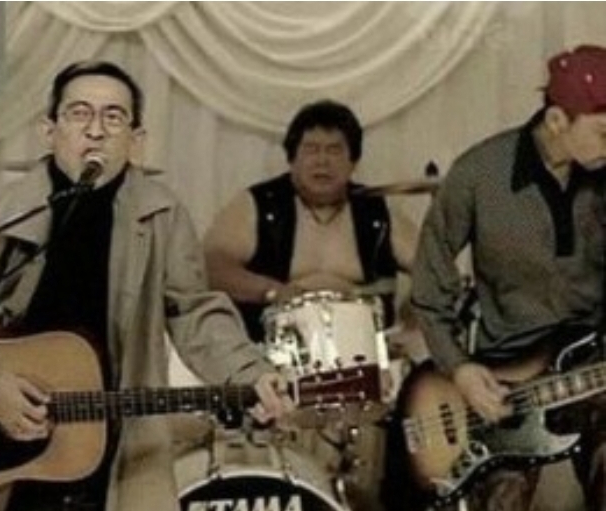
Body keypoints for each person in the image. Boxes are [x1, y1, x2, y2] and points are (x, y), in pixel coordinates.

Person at [0, 60, 292, 511]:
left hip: (117, 447)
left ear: (136, 141)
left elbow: (194, 311)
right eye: (79, 114)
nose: (95, 131)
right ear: (49, 130)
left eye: (113, 117)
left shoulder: (161, 214)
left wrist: (249, 372)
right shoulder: (1, 211)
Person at [410, 45, 606, 511]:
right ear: (557, 121)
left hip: (595, 364)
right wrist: (460, 369)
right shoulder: (479, 174)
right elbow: (429, 288)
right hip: (508, 376)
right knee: (501, 500)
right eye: (603, 132)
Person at [203, 99, 416, 344]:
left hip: (364, 348)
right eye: (311, 149)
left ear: (353, 162)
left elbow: (433, 271)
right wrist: (271, 291)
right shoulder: (257, 205)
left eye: (334, 150)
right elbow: (211, 267)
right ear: (292, 159)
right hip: (270, 350)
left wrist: (412, 317)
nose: (322, 161)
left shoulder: (377, 212)